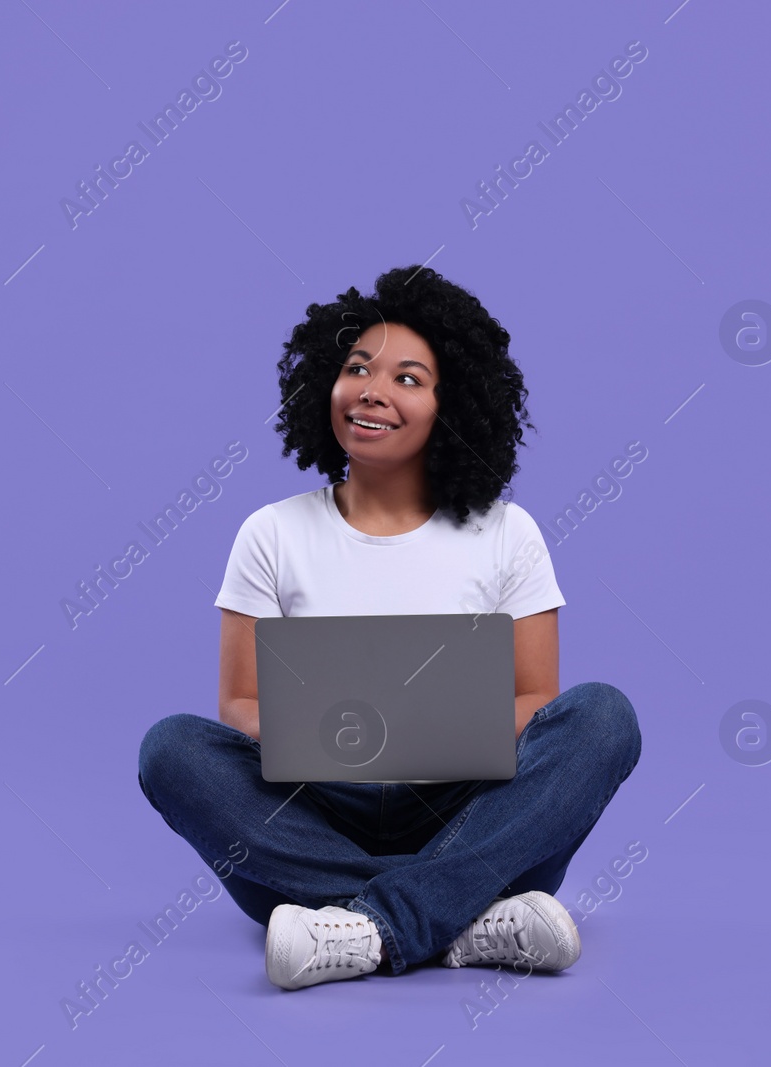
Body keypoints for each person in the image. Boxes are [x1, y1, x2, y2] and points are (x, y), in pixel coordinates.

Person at [137, 265, 642, 991]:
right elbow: (239, 705)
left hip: (466, 805)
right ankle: (467, 918)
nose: (372, 389)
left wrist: (436, 734)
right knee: (172, 749)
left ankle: (360, 924)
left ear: (452, 405)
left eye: (408, 378)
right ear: (324, 386)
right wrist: (327, 739)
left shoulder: (509, 533)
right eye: (356, 369)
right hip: (317, 809)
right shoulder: (270, 533)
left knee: (603, 717)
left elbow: (537, 699)